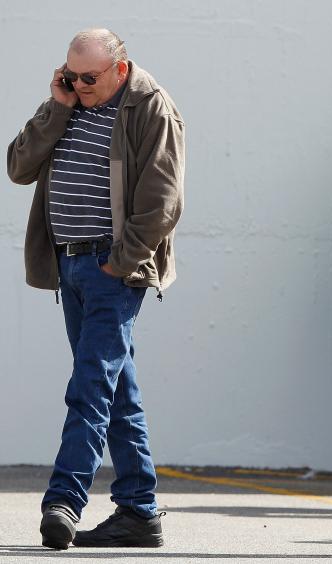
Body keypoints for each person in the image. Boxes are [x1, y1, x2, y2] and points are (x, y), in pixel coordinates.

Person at [7, 28, 185, 549]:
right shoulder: (69, 103)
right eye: (71, 75)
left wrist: (121, 263)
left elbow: (163, 199)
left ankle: (64, 499)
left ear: (120, 70)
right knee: (116, 390)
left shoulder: (151, 107)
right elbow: (19, 166)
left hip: (114, 271)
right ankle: (139, 509)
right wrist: (56, 105)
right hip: (70, 266)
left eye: (89, 78)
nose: (80, 84)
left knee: (89, 387)